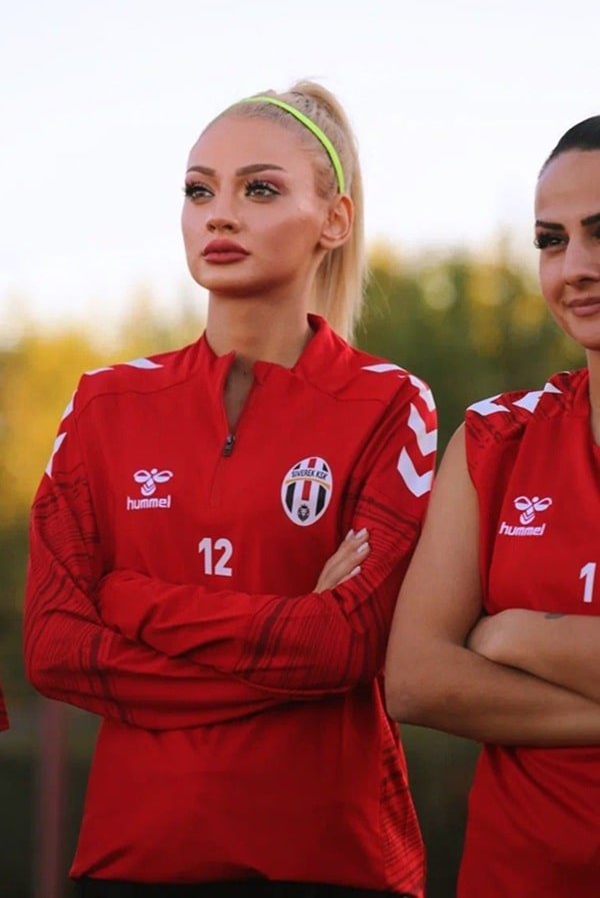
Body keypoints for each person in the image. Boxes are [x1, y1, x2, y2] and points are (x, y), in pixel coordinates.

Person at [24, 82, 437, 897]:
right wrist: (291, 626)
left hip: (330, 865)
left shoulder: (391, 403)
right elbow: (55, 648)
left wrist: (131, 600)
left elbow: (345, 645)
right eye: (198, 190)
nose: (220, 216)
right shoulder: (105, 403)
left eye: (260, 190)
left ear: (334, 220)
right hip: (133, 861)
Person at [384, 117, 600, 896]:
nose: (575, 267)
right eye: (551, 240)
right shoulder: (494, 440)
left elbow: (460, 662)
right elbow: (414, 678)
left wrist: (513, 635)